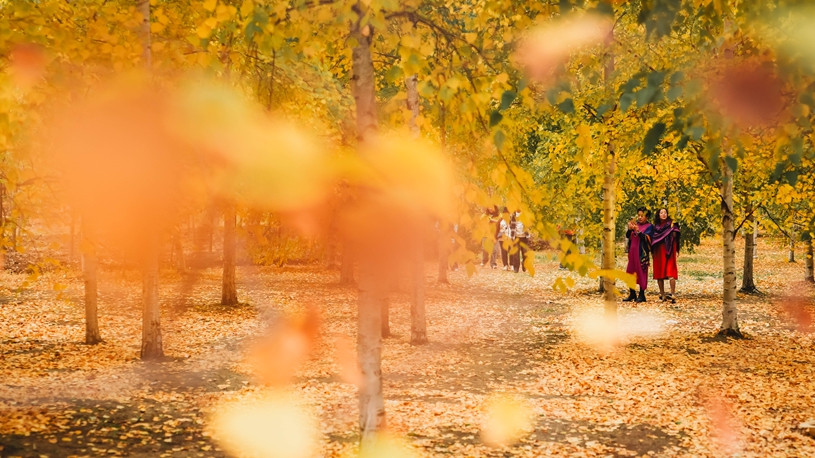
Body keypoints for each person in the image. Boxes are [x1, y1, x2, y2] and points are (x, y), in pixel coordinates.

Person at [624, 207, 653, 303]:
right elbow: (628, 236)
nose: (640, 217)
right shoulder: (635, 224)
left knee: (641, 272)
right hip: (632, 252)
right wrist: (630, 229)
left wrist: (638, 231)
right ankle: (632, 293)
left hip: (641, 253)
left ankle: (641, 294)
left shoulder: (649, 226)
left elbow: (647, 239)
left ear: (647, 217)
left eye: (642, 216)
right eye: (639, 215)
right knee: (630, 271)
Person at [651, 208, 680, 303]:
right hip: (659, 251)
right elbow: (653, 239)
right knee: (659, 272)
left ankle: (673, 294)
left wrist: (674, 232)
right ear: (658, 215)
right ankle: (662, 295)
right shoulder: (656, 227)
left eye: (665, 213)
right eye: (661, 213)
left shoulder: (671, 224)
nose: (663, 214)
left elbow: (676, 235)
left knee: (670, 271)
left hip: (669, 251)